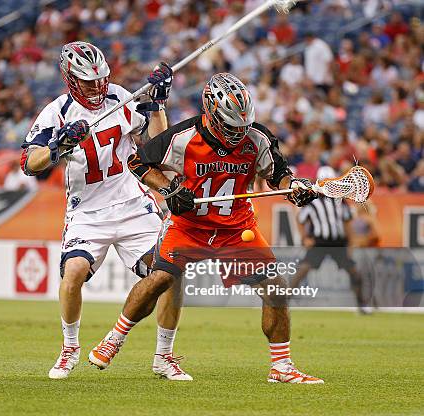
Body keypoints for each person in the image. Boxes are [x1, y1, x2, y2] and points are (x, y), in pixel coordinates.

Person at [88, 73, 324, 384]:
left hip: (237, 229)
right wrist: (170, 188)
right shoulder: (183, 137)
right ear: (211, 113)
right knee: (160, 278)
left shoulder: (258, 138)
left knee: (275, 290)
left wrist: (293, 187)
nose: (239, 134)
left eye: (243, 126)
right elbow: (139, 163)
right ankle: (115, 337)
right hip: (190, 225)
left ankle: (281, 367)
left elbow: (278, 175)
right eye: (231, 127)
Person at [21, 41, 191, 380]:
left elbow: (157, 149)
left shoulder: (120, 97)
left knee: (171, 273)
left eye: (101, 79)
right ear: (70, 78)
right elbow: (29, 163)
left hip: (132, 204)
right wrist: (59, 145)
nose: (98, 87)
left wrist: (157, 105)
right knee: (73, 276)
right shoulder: (57, 113)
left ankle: (164, 356)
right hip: (87, 213)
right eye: (88, 82)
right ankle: (70, 347)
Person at [291, 166, 371, 314]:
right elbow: (300, 219)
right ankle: (283, 301)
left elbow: (347, 223)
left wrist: (351, 243)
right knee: (302, 270)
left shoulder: (341, 201)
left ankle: (362, 304)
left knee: (354, 272)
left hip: (338, 242)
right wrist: (305, 238)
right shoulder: (311, 201)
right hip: (320, 241)